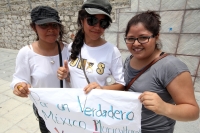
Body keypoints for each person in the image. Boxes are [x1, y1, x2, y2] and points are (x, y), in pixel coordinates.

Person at [123, 11, 199, 133]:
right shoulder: (129, 59)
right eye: (131, 38)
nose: (136, 43)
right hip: (126, 127)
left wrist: (164, 108)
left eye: (143, 37)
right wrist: (102, 90)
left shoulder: (171, 66)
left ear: (156, 36)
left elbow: (193, 111)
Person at [10, 6, 70, 133]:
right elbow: (19, 78)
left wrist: (68, 75)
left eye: (54, 25)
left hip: (69, 109)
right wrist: (20, 86)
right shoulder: (26, 53)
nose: (51, 30)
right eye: (44, 26)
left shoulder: (68, 50)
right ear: (34, 27)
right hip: (45, 111)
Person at [57, 0, 125, 93]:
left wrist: (101, 88)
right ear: (82, 21)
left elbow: (121, 85)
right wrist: (66, 75)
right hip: (75, 105)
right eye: (92, 21)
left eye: (103, 23)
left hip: (96, 105)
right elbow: (73, 79)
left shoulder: (112, 51)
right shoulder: (72, 46)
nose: (97, 27)